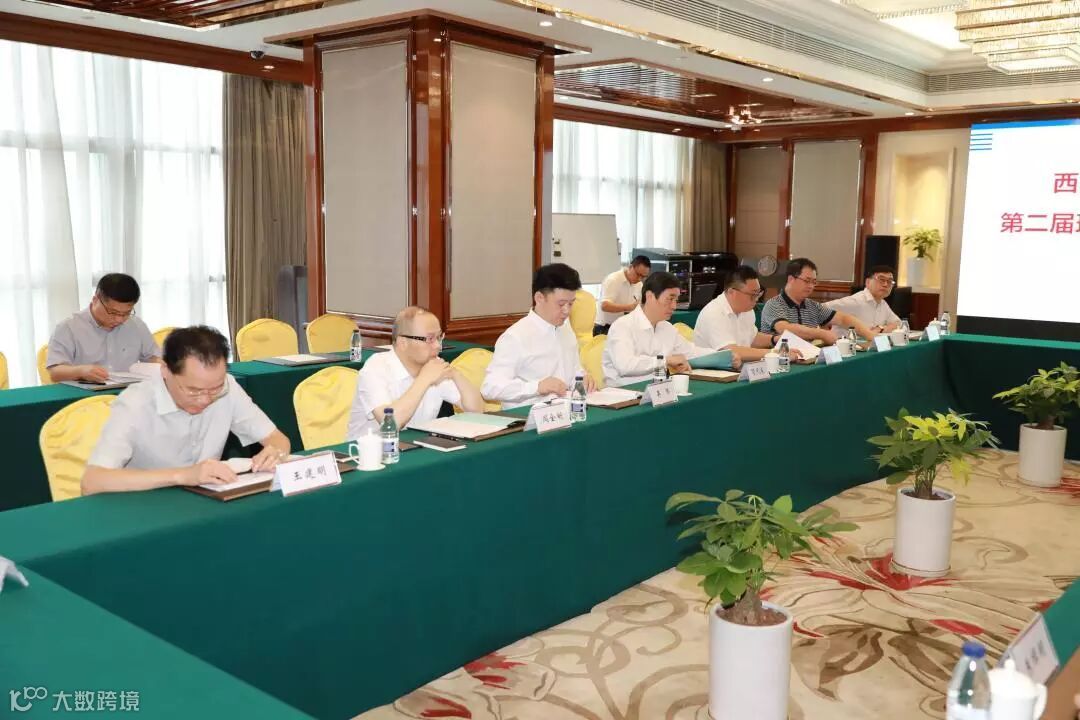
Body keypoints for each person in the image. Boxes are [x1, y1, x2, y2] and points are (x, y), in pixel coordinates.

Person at [82, 326, 290, 495]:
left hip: (206, 504)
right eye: (193, 390)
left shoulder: (228, 388)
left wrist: (275, 453)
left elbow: (277, 439)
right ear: (165, 370)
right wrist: (183, 475)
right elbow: (92, 481)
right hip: (144, 508)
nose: (206, 399)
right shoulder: (135, 403)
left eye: (215, 389)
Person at [347, 306, 483, 438]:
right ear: (403, 343)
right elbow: (391, 424)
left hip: (416, 446)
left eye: (439, 337)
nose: (438, 346)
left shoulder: (433, 366)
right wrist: (424, 379)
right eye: (429, 339)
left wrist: (455, 374)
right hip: (370, 450)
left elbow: (476, 410)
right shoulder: (375, 368)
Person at [483, 263, 596, 409]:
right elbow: (490, 388)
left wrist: (583, 378)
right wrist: (537, 387)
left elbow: (574, 370)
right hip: (529, 417)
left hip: (565, 410)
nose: (567, 311)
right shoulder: (515, 337)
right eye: (561, 304)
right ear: (539, 298)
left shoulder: (565, 329)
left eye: (571, 304)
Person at [603, 271, 731, 387]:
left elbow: (691, 352)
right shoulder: (622, 326)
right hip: (624, 395)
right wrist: (665, 361)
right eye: (670, 299)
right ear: (650, 296)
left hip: (659, 391)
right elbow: (625, 366)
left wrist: (726, 355)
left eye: (676, 300)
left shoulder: (666, 328)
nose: (674, 306)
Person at [47, 273, 161, 383]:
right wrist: (81, 371)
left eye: (126, 313)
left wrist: (163, 367)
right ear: (95, 300)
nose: (119, 319)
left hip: (127, 392)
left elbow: (153, 358)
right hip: (83, 393)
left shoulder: (137, 326)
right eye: (112, 312)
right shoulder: (68, 328)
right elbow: (55, 372)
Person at [759, 258, 878, 345]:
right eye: (807, 281)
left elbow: (843, 319)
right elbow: (786, 329)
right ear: (791, 279)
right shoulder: (774, 304)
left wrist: (871, 336)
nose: (811, 286)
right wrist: (821, 334)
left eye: (814, 282)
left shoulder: (812, 306)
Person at [694, 265, 793, 362]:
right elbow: (731, 352)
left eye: (758, 293)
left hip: (738, 367)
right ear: (732, 292)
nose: (756, 299)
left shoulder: (747, 310)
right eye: (752, 294)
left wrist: (775, 339)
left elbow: (752, 338)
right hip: (711, 370)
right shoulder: (714, 312)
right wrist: (776, 353)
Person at [825, 265, 903, 334]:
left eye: (889, 281)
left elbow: (898, 323)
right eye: (881, 279)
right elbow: (820, 309)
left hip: (869, 344)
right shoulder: (855, 301)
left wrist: (880, 329)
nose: (885, 284)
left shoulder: (882, 303)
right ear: (867, 282)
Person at [594, 255, 652, 335]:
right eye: (638, 274)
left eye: (643, 277)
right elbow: (604, 306)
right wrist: (629, 307)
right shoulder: (613, 280)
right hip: (604, 328)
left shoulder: (639, 284)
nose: (639, 279)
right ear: (630, 267)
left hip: (624, 327)